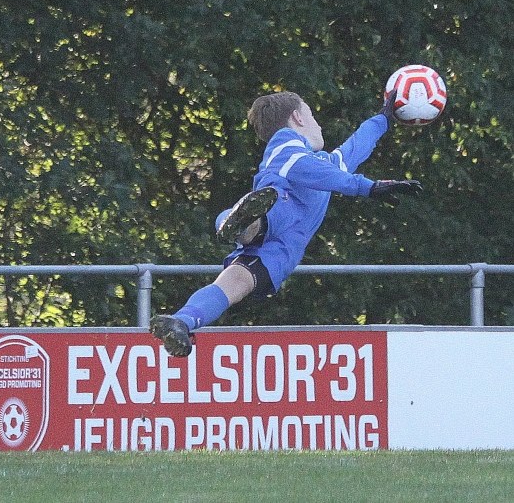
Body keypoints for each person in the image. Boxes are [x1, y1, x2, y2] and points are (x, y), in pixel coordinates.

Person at [150, 89, 422, 357]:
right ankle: (243, 224)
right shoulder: (286, 141)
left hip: (281, 251)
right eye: (313, 115)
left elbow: (355, 147)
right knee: (268, 216)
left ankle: (182, 322)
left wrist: (384, 119)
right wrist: (367, 187)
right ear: (298, 118)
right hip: (278, 206)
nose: (318, 123)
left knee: (230, 286)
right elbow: (303, 168)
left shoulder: (327, 164)